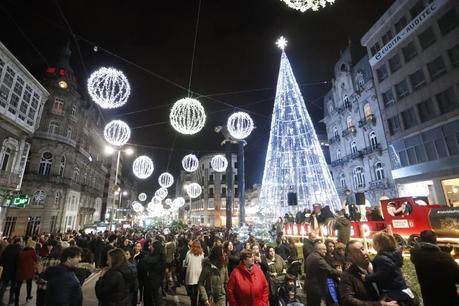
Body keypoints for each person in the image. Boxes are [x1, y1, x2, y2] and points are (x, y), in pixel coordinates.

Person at [339, 240, 398, 306]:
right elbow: (347, 300)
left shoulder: (380, 265)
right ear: (350, 256)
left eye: (362, 249)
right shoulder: (347, 276)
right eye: (357, 252)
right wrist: (379, 304)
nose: (363, 253)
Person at [363, 232, 415, 306]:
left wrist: (367, 277)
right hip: (400, 289)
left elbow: (381, 275)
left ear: (377, 244)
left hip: (391, 292)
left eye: (373, 243)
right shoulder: (393, 255)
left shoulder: (381, 258)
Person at [410, 230, 459, 306]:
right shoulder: (444, 258)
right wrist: (447, 255)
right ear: (435, 240)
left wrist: (446, 253)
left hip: (429, 297)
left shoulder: (417, 256)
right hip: (447, 298)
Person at [305, 242, 341, 306]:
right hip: (315, 287)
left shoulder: (311, 256)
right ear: (318, 249)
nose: (325, 251)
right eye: (324, 249)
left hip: (310, 286)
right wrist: (342, 274)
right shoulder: (318, 259)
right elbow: (330, 270)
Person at [140, 240, 166, 306]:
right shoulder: (160, 256)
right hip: (156, 282)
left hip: (152, 282)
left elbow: (145, 264)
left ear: (155, 248)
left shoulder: (154, 258)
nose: (150, 247)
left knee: (152, 299)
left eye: (151, 245)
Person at [15, 239, 37, 306]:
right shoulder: (32, 251)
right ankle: (28, 296)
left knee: (18, 286)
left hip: (21, 270)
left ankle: (16, 301)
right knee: (29, 284)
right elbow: (35, 259)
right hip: (29, 271)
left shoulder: (22, 251)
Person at [0, 237, 22, 305]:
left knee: (4, 285)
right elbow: (19, 261)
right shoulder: (20, 249)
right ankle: (11, 299)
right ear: (19, 242)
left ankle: (0, 299)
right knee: (13, 286)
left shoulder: (8, 247)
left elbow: (2, 258)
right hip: (14, 271)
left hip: (6, 269)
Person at [184, 239, 204, 306]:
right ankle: (194, 302)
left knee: (190, 288)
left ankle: (193, 302)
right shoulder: (202, 253)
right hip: (198, 272)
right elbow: (202, 263)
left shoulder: (189, 253)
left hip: (191, 272)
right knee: (196, 290)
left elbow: (186, 262)